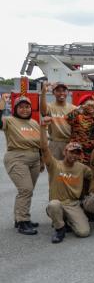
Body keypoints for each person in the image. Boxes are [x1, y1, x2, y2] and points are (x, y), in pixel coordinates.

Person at [40, 116, 93, 243]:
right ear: (65, 152)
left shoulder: (82, 168)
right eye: (71, 152)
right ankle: (60, 228)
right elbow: (44, 148)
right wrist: (43, 127)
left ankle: (69, 220)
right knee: (53, 205)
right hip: (58, 203)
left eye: (77, 153)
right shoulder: (54, 164)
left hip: (73, 204)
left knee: (84, 232)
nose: (74, 155)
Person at [0, 96, 41, 235]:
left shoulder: (34, 123)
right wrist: (1, 105)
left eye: (27, 107)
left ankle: (20, 218)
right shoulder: (9, 120)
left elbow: (40, 143)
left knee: (28, 191)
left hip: (35, 159)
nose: (24, 109)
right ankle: (23, 221)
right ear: (15, 109)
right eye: (21, 107)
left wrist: (41, 160)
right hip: (17, 158)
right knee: (25, 189)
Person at [40, 81, 75, 160]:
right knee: (55, 167)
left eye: (64, 90)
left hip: (70, 143)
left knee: (70, 167)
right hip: (55, 143)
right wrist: (43, 92)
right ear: (53, 93)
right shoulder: (50, 107)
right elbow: (43, 111)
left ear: (68, 92)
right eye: (58, 91)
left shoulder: (73, 109)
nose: (61, 93)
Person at [65, 94, 94, 165]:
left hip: (91, 150)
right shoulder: (77, 116)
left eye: (93, 105)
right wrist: (79, 109)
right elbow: (67, 118)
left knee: (90, 169)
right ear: (83, 106)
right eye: (88, 105)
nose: (91, 107)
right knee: (77, 168)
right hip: (77, 149)